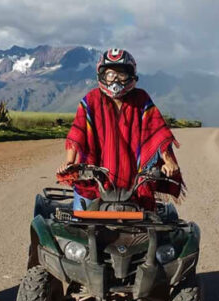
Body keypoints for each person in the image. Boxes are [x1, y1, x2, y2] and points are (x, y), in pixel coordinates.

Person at [59, 48, 184, 210]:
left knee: (150, 224)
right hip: (96, 178)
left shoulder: (141, 99)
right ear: (102, 76)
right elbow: (78, 132)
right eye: (110, 74)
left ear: (131, 75)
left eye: (121, 74)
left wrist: (169, 161)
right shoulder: (91, 99)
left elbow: (157, 131)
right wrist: (69, 163)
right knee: (81, 222)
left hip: (134, 181)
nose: (115, 79)